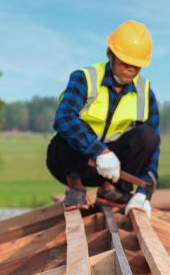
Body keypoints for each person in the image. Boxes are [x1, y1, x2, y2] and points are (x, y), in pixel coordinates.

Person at [46, 20, 160, 215]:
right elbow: (63, 118)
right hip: (75, 163)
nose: (130, 70)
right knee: (70, 129)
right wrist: (99, 151)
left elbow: (152, 147)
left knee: (147, 136)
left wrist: (143, 192)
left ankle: (111, 192)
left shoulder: (145, 93)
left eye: (137, 66)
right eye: (125, 62)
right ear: (110, 54)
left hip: (114, 173)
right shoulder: (85, 78)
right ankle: (75, 188)